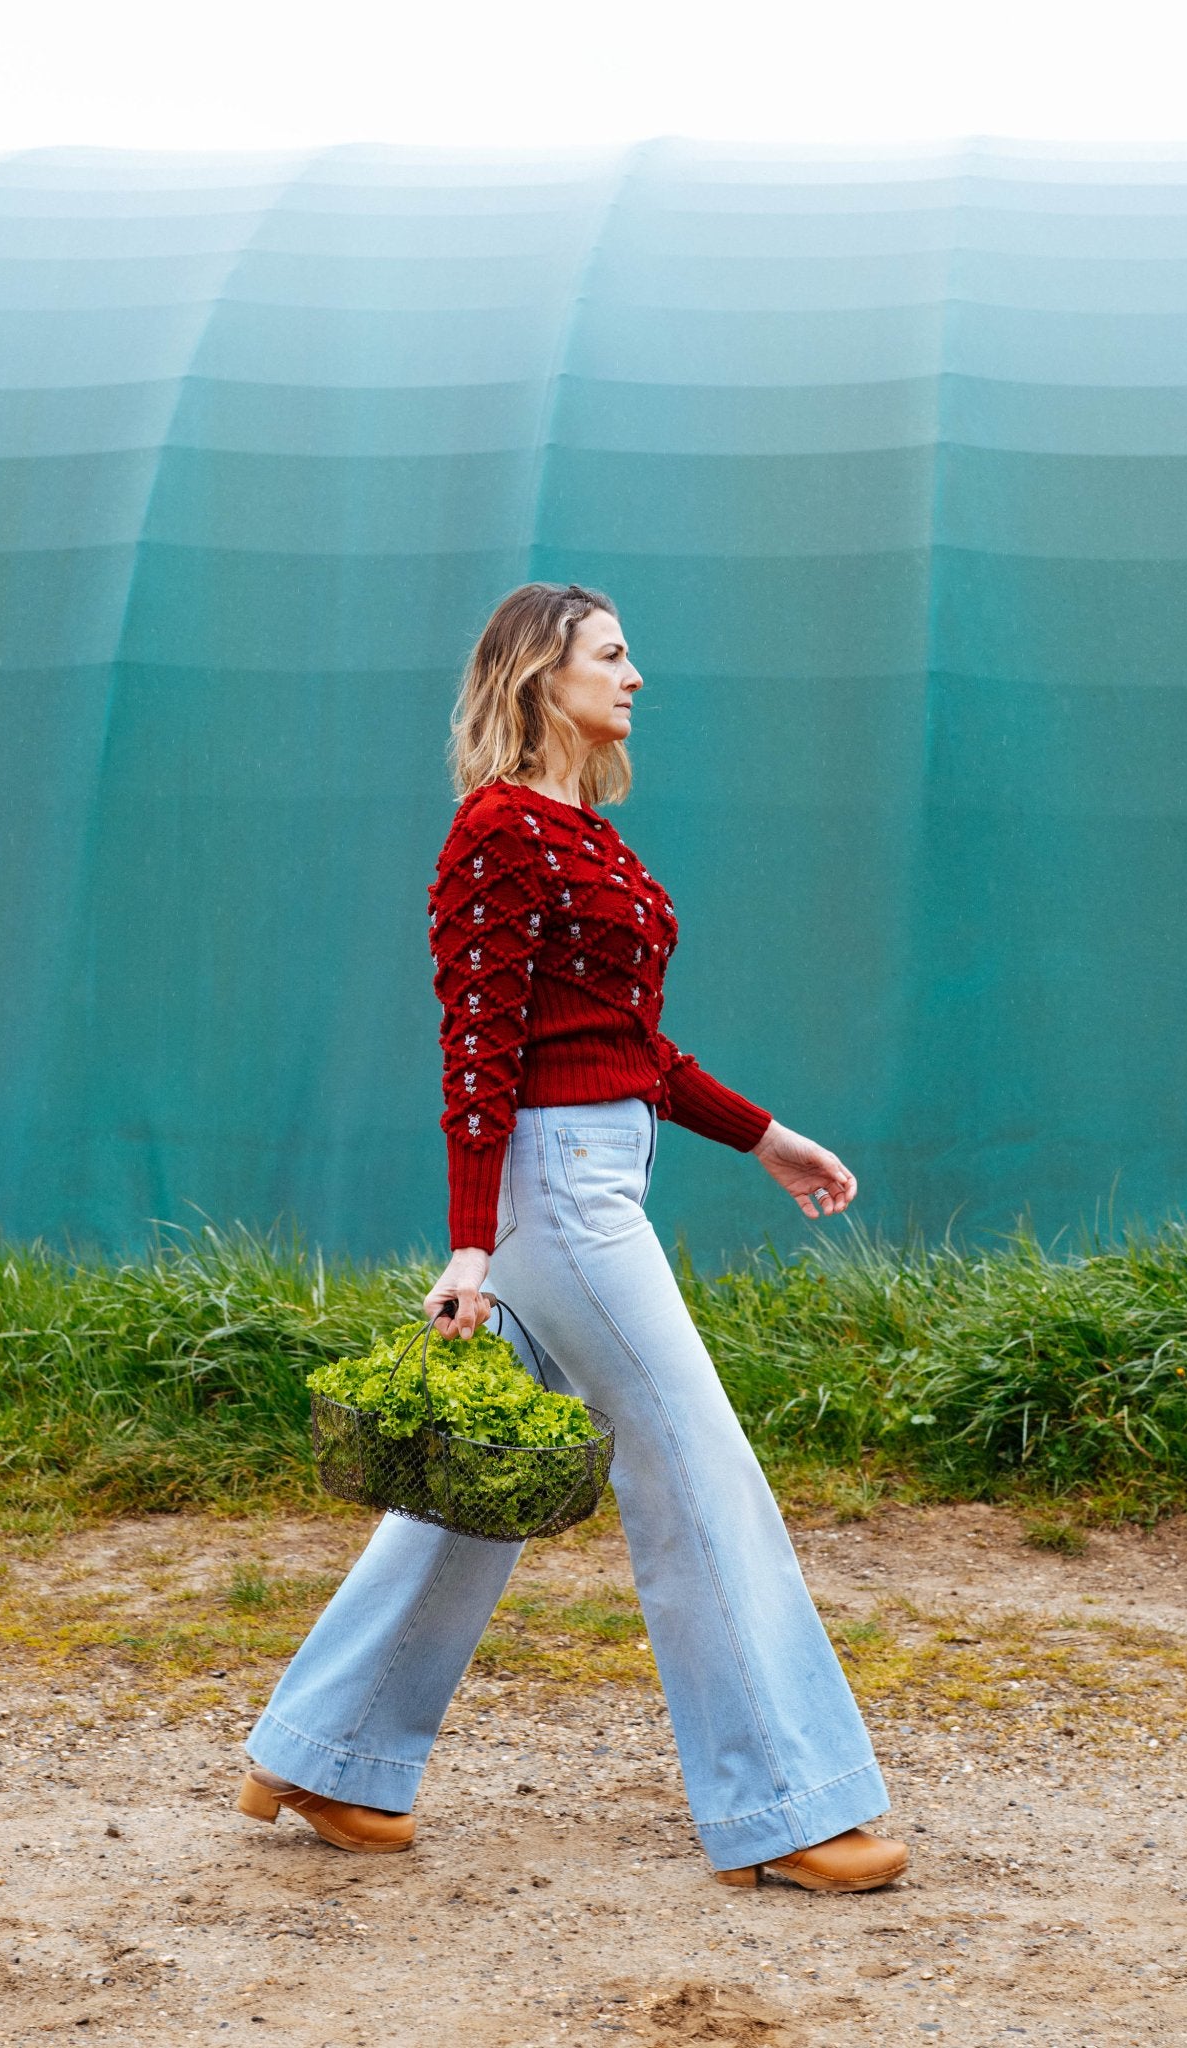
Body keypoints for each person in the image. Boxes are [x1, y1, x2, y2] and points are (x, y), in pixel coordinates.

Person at [236, 582, 908, 1893]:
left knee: (476, 1485)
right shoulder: (494, 832)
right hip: (552, 1193)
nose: (635, 675)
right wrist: (473, 1244)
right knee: (694, 1467)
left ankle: (323, 1753)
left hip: (602, 1165)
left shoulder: (586, 832)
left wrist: (760, 1134)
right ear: (540, 672)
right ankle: (784, 1804)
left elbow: (628, 1047)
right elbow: (479, 1052)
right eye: (611, 654)